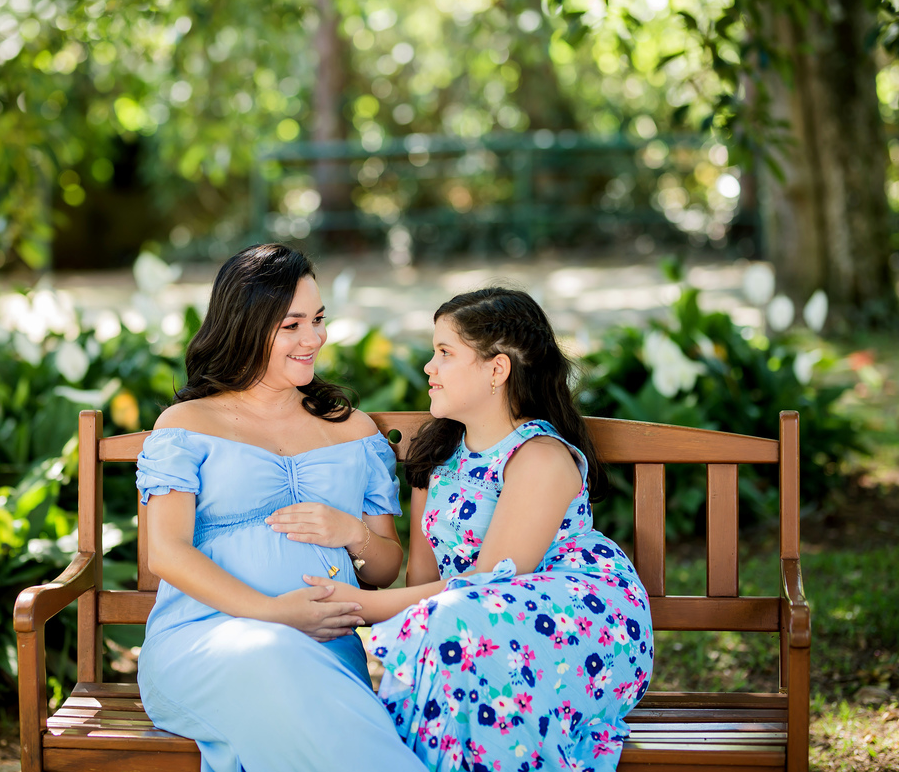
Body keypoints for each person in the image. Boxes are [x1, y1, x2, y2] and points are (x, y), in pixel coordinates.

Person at [305, 287, 654, 772]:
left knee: (456, 623)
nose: (429, 367)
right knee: (448, 633)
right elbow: (423, 588)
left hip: (576, 623)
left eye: (445, 353)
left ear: (497, 369)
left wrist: (359, 604)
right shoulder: (438, 460)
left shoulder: (540, 457)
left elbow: (495, 580)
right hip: (468, 625)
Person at [134, 243, 428, 772]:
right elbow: (167, 553)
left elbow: (385, 570)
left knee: (303, 690)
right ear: (245, 326)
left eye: (317, 320)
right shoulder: (187, 426)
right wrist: (273, 614)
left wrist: (352, 533)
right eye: (292, 325)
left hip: (326, 652)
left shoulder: (354, 431)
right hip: (206, 642)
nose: (313, 339)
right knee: (271, 653)